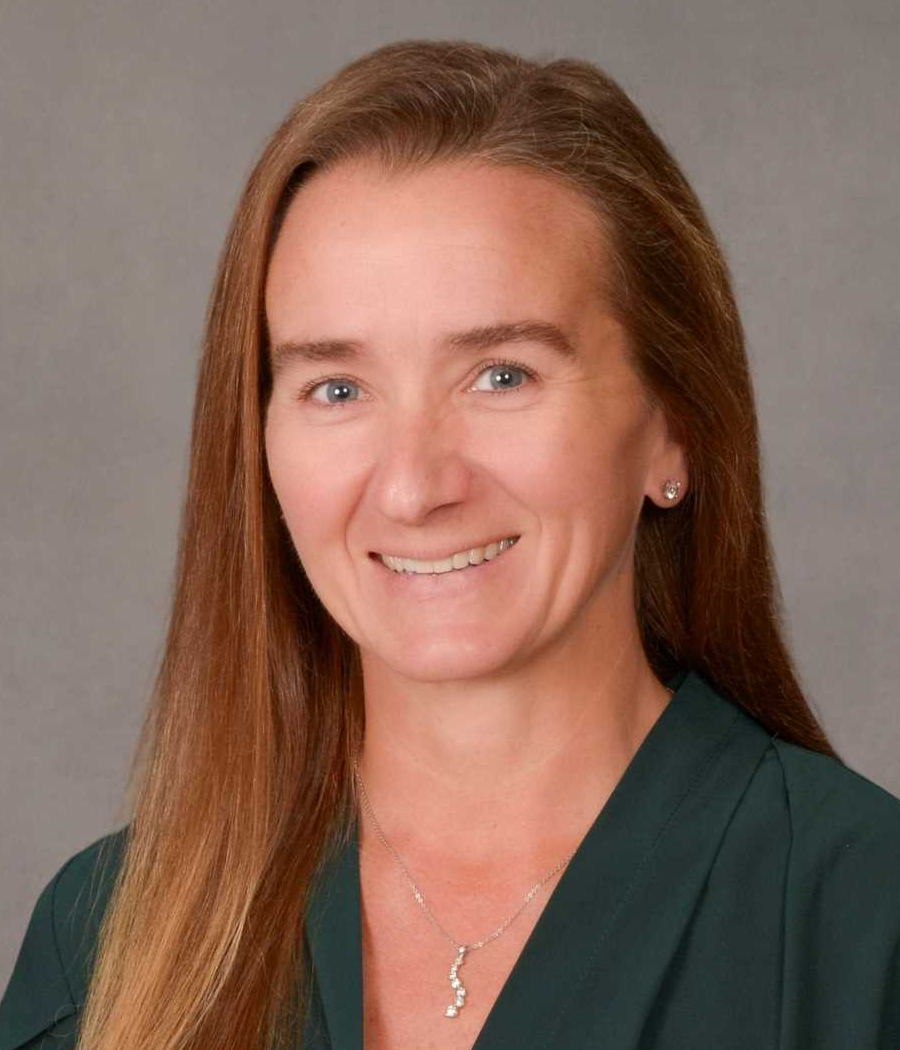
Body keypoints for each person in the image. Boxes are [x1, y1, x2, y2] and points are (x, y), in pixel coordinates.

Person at [1, 37, 898, 1050]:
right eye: (336, 389)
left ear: (673, 424)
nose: (416, 484)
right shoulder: (108, 942)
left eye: (501, 375)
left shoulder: (863, 924)